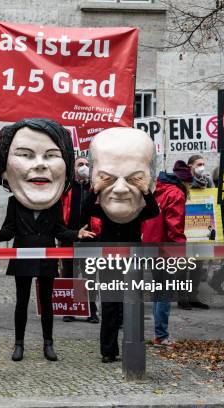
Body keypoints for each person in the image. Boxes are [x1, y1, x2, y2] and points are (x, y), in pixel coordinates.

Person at [0, 118, 96, 362]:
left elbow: (59, 231)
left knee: (46, 304)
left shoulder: (52, 203)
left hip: (46, 260)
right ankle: (19, 344)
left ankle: (48, 344)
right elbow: (9, 230)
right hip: (22, 258)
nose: (40, 166)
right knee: (21, 303)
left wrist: (77, 234)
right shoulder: (15, 203)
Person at [83, 128, 160, 363]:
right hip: (109, 260)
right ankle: (108, 351)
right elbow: (84, 210)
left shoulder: (136, 210)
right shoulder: (105, 208)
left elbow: (153, 211)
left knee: (132, 306)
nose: (119, 188)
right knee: (109, 306)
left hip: (132, 260)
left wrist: (145, 191)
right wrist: (95, 188)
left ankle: (131, 346)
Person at [142, 169, 189, 347]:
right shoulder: (175, 194)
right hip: (167, 250)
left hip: (151, 248)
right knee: (165, 293)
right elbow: (175, 227)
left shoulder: (155, 191)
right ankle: (161, 335)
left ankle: (158, 333)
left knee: (159, 291)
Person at [60, 156, 101, 323]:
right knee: (69, 274)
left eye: (86, 165)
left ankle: (92, 310)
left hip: (90, 238)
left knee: (89, 275)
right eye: (80, 165)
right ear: (74, 168)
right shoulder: (67, 188)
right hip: (69, 237)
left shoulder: (94, 188)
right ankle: (70, 310)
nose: (84, 167)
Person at [174, 160, 209, 310]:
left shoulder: (207, 181)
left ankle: (193, 295)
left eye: (203, 163)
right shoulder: (181, 181)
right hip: (185, 229)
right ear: (190, 167)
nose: (202, 167)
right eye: (198, 164)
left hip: (199, 229)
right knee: (183, 266)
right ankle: (182, 297)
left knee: (197, 264)